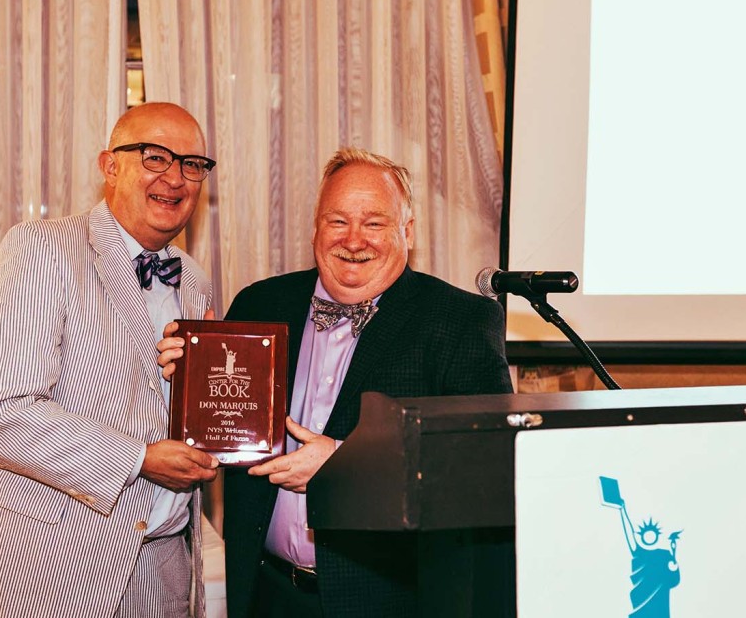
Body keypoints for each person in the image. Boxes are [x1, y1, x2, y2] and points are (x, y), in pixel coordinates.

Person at [160, 147, 514, 617]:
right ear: (315, 228)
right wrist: (186, 377)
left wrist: (347, 465)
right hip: (265, 592)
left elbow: (486, 466)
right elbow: (223, 426)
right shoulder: (260, 303)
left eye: (374, 222)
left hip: (390, 602)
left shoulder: (460, 320)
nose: (353, 239)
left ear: (406, 231)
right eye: (337, 221)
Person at [0, 102, 221, 617]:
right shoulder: (41, 249)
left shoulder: (194, 278)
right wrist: (139, 460)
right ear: (109, 165)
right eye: (155, 157)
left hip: (166, 568)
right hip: (51, 571)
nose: (175, 178)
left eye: (192, 164)